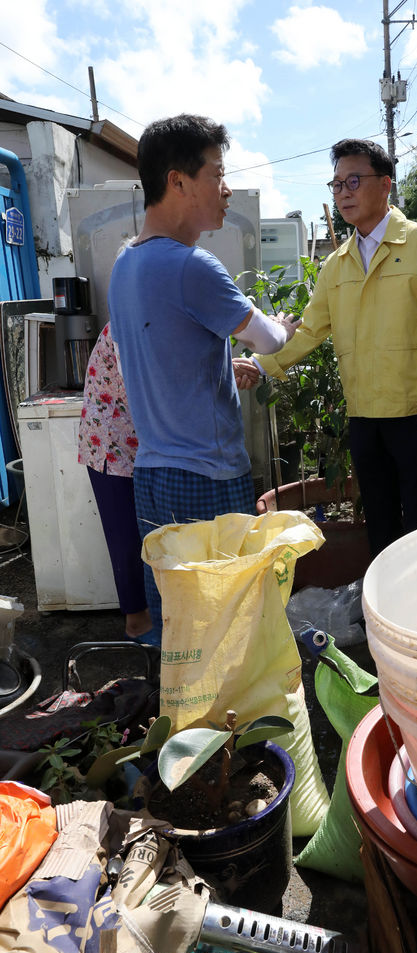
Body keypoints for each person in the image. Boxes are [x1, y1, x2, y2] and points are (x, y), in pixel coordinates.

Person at [108, 114, 299, 632]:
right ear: (178, 181)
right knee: (224, 626)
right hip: (206, 476)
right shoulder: (193, 266)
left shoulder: (124, 264)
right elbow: (270, 340)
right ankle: (227, 714)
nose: (226, 188)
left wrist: (217, 361)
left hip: (152, 474)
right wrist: (281, 322)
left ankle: (177, 712)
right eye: (217, 172)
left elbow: (162, 352)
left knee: (178, 625)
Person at [237, 138, 417, 558]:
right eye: (337, 184)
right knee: (379, 521)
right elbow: (308, 330)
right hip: (363, 417)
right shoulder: (336, 263)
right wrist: (260, 363)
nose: (343, 192)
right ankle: (385, 612)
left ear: (385, 185)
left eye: (354, 181)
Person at [77, 322, 154, 643]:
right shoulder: (126, 325)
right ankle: (136, 622)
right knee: (126, 539)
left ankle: (147, 616)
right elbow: (147, 382)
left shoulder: (144, 317)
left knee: (141, 535)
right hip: (110, 446)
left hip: (136, 446)